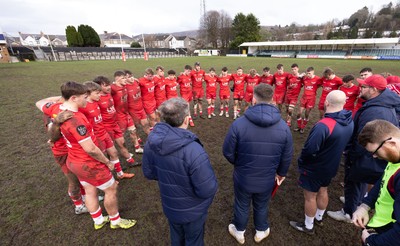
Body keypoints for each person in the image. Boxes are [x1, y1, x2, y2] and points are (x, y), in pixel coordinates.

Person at [57, 81, 136, 230]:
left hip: (74, 161)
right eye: (84, 97)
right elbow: (91, 149)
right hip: (88, 163)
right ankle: (115, 220)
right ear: (73, 98)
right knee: (111, 188)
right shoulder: (75, 119)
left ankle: (98, 221)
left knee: (90, 190)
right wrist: (107, 162)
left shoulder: (61, 112)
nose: (86, 100)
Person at [223, 83, 293, 244]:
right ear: (273, 99)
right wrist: (281, 173)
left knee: (241, 203)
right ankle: (260, 230)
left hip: (244, 176)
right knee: (261, 204)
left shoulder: (239, 124)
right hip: (267, 177)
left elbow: (227, 152)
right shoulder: (283, 127)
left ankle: (240, 231)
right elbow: (287, 156)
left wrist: (239, 164)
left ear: (253, 99)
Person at [142, 97, 218, 246]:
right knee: (194, 239)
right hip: (193, 210)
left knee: (176, 236)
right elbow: (207, 188)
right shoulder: (193, 150)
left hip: (170, 204)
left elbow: (149, 173)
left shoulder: (151, 141)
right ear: (186, 120)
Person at [327, 75, 400, 223]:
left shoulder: (375, 111)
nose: (361, 88)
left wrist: (351, 154)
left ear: (373, 90)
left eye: (364, 86)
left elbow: (365, 139)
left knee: (354, 181)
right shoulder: (380, 104)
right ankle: (354, 201)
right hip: (370, 157)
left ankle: (348, 212)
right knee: (360, 181)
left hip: (364, 157)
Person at [289, 90, 354, 234]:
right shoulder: (350, 121)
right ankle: (319, 218)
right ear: (344, 103)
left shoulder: (323, 125)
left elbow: (310, 150)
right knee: (323, 190)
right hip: (332, 166)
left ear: (327, 103)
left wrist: (302, 162)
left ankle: (308, 226)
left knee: (310, 196)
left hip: (315, 167)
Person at [36, 97, 87, 214]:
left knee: (80, 175)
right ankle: (78, 205)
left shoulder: (67, 108)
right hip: (62, 152)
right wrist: (56, 121)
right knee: (73, 179)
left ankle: (84, 198)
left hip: (73, 148)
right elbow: (52, 135)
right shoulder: (53, 112)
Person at [353, 119, 400, 246]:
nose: (374, 156)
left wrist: (371, 241)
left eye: (375, 152)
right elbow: (383, 181)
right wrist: (365, 206)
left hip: (387, 234)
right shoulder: (395, 158)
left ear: (391, 143)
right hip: (381, 227)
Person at [80, 81, 135, 179]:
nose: (99, 95)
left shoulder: (97, 102)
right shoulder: (83, 107)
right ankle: (107, 179)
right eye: (97, 93)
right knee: (101, 158)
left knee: (114, 152)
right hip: (96, 136)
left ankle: (120, 174)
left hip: (104, 132)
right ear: (88, 94)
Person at [92, 76, 137, 166]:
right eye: (105, 86)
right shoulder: (96, 99)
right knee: (110, 149)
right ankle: (113, 166)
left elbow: (119, 86)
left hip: (115, 124)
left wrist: (132, 79)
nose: (109, 87)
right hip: (106, 127)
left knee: (122, 143)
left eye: (109, 85)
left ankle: (130, 160)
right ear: (98, 87)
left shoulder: (110, 93)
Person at [111, 71, 143, 154]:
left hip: (126, 113)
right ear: (117, 79)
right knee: (120, 136)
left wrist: (135, 79)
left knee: (133, 131)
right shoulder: (113, 89)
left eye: (125, 77)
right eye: (123, 78)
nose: (125, 79)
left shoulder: (125, 85)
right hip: (119, 116)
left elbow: (131, 82)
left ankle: (137, 147)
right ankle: (121, 153)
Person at [294, 67, 321, 133]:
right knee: (299, 113)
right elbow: (298, 80)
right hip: (304, 98)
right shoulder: (304, 78)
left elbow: (321, 85)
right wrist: (300, 76)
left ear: (313, 72)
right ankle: (299, 126)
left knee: (306, 114)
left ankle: (302, 127)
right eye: (307, 73)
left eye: (309, 73)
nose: (308, 75)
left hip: (311, 99)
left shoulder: (317, 79)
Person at [124, 70, 150, 135]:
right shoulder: (124, 87)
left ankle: (150, 137)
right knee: (135, 126)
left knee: (146, 124)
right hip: (133, 111)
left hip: (141, 108)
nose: (132, 78)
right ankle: (137, 138)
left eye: (132, 76)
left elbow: (145, 80)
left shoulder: (136, 82)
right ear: (125, 78)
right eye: (129, 77)